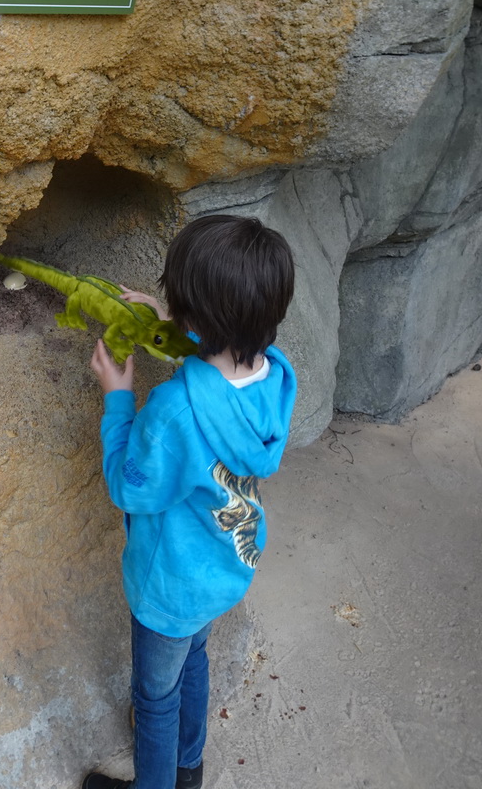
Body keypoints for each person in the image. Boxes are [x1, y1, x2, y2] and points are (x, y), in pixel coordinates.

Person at [82, 214, 297, 789]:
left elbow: (130, 485)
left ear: (199, 322)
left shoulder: (174, 409)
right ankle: (189, 768)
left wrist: (119, 401)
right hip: (226, 566)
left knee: (154, 698)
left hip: (171, 588)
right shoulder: (274, 378)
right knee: (195, 659)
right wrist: (169, 321)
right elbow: (215, 385)